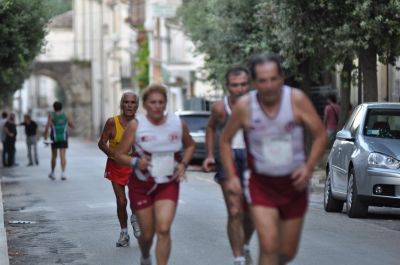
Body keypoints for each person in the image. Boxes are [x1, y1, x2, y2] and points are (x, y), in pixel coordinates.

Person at [220, 53, 327, 265]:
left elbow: (320, 135)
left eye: (273, 79)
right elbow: (225, 141)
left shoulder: (296, 100)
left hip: (293, 185)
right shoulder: (245, 107)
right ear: (254, 82)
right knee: (268, 245)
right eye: (262, 80)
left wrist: (307, 168)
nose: (269, 86)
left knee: (286, 252)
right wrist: (232, 177)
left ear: (282, 78)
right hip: (261, 185)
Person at [115, 84, 195, 265]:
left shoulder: (177, 123)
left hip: (168, 183)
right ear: (145, 104)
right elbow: (119, 155)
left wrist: (183, 164)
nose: (157, 106)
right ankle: (145, 256)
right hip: (141, 185)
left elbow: (190, 145)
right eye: (153, 102)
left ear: (166, 104)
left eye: (161, 102)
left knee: (164, 229)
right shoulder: (136, 126)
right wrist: (136, 162)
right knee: (147, 234)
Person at [202, 66, 254, 265]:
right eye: (234, 85)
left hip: (251, 160)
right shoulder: (219, 108)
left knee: (251, 212)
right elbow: (210, 127)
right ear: (227, 86)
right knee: (234, 211)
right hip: (228, 158)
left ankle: (246, 245)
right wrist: (208, 155)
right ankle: (238, 258)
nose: (239, 89)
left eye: (243, 85)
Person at [98, 91, 142, 247]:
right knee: (121, 201)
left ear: (137, 106)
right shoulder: (112, 122)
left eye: (132, 103)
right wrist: (114, 154)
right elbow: (101, 143)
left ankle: (135, 218)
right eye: (126, 102)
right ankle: (124, 233)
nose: (129, 105)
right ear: (122, 104)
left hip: (133, 166)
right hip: (115, 165)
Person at [44, 101, 74, 180]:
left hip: (54, 137)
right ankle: (63, 174)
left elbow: (47, 126)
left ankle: (53, 173)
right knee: (63, 156)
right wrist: (69, 120)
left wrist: (45, 137)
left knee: (54, 156)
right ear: (61, 107)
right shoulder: (66, 115)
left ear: (54, 108)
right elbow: (71, 125)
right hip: (63, 137)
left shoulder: (51, 115)